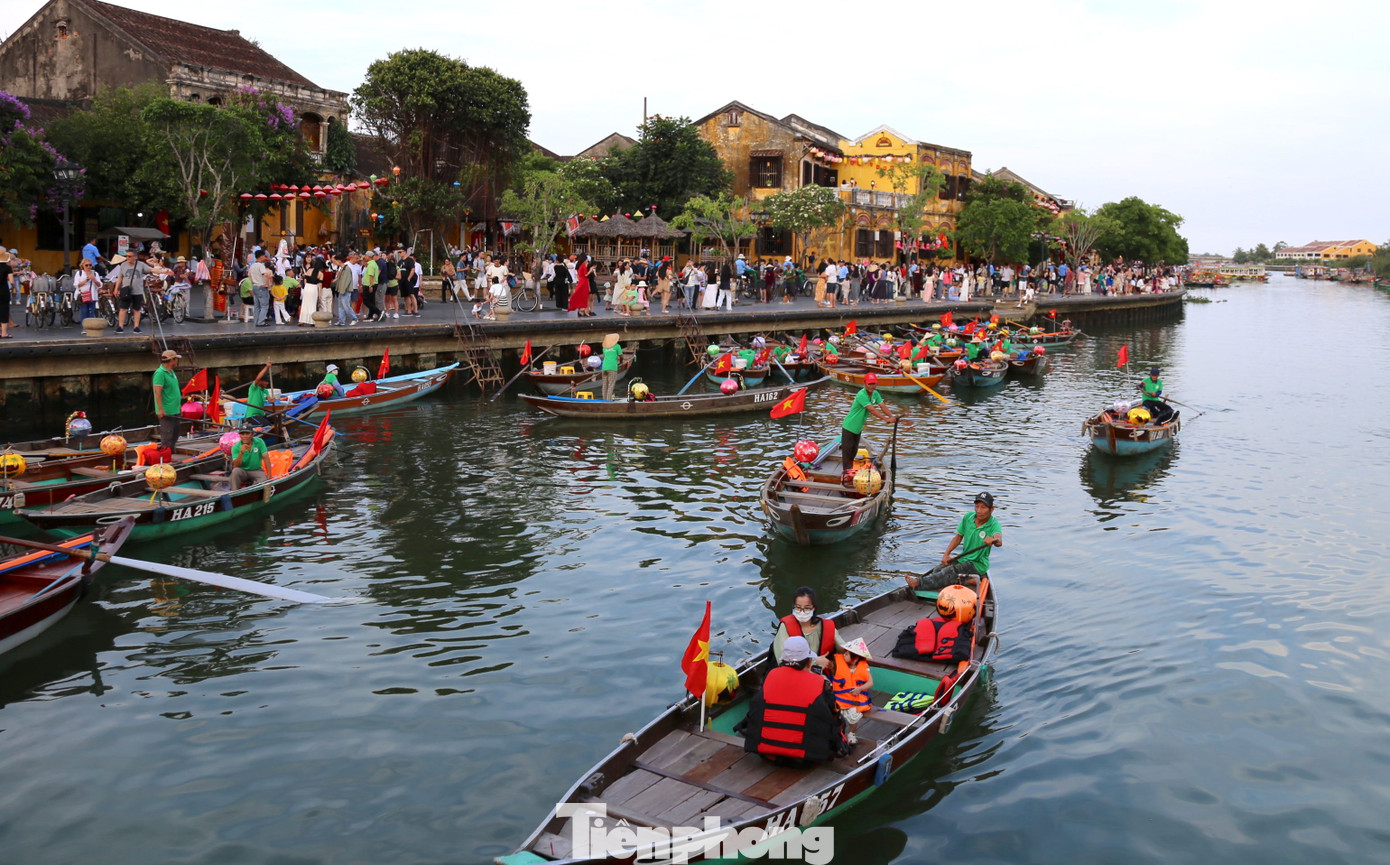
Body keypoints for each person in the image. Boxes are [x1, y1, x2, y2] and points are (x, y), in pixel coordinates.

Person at [740, 636, 848, 767]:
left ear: (783, 660)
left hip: (767, 753)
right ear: (809, 662)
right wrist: (825, 684)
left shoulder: (771, 676)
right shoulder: (819, 682)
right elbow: (834, 717)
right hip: (805, 760)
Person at [906, 492, 1002, 591]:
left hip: (977, 564)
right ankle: (967, 581)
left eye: (983, 507)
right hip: (964, 558)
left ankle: (919, 583)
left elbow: (999, 540)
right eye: (977, 506)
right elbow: (958, 537)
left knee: (950, 571)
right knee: (938, 570)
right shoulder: (968, 517)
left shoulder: (994, 524)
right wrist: (946, 554)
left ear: (991, 509)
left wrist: (994, 540)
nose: (979, 510)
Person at [771, 586, 844, 671]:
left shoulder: (825, 626)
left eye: (807, 608)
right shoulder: (785, 626)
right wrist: (815, 661)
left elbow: (843, 647)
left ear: (813, 608)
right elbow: (782, 660)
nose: (802, 611)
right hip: (797, 673)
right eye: (798, 607)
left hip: (823, 671)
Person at [840, 373, 899, 476]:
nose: (871, 386)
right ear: (864, 383)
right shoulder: (861, 394)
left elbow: (882, 406)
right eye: (869, 384)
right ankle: (846, 475)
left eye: (873, 384)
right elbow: (872, 409)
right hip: (849, 427)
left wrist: (891, 416)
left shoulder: (875, 394)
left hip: (857, 428)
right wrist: (886, 419)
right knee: (847, 454)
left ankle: (851, 472)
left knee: (854, 452)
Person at [830, 638, 874, 744]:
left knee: (854, 717)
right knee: (837, 716)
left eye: (847, 654)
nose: (843, 655)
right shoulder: (838, 663)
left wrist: (859, 689)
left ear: (854, 659)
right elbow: (833, 674)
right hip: (840, 699)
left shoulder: (864, 667)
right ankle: (839, 734)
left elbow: (870, 683)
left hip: (855, 700)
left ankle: (851, 733)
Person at [152, 349, 182, 452]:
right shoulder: (160, 373)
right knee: (167, 436)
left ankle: (170, 454)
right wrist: (160, 409)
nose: (177, 362)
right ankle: (165, 456)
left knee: (175, 434)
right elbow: (157, 392)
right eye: (176, 359)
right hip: (166, 411)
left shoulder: (171, 372)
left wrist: (178, 406)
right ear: (172, 360)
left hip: (175, 409)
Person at [114, 252, 151, 334]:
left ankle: (136, 327)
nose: (127, 258)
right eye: (126, 256)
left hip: (138, 290)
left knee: (137, 309)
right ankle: (120, 326)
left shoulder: (141, 265)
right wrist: (116, 288)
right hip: (126, 290)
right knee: (123, 308)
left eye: (129, 256)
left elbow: (151, 269)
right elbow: (120, 277)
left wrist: (164, 272)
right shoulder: (123, 265)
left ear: (135, 257)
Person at [332, 255, 358, 325]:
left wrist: (343, 290)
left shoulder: (346, 269)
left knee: (346, 306)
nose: (335, 263)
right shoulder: (343, 268)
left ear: (339, 261)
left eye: (335, 261)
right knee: (341, 306)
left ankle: (354, 318)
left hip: (344, 290)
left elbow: (346, 280)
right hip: (342, 290)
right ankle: (341, 321)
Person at [74, 257, 100, 324]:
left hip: (92, 296)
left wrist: (94, 279)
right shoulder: (79, 273)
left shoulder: (95, 274)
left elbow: (99, 285)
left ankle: (90, 327)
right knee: (84, 312)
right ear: (82, 266)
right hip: (83, 295)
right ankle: (84, 327)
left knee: (91, 312)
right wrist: (86, 280)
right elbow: (76, 285)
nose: (88, 267)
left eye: (90, 265)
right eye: (86, 265)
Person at [600, 333, 622, 400]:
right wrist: (621, 362)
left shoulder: (604, 348)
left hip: (604, 367)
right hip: (612, 367)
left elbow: (604, 357)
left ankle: (604, 400)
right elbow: (621, 356)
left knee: (605, 385)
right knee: (611, 385)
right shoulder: (617, 346)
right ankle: (608, 401)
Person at [0, 249, 12, 339]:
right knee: (4, 310)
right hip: (3, 290)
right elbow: (11, 281)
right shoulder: (7, 267)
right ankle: (4, 333)